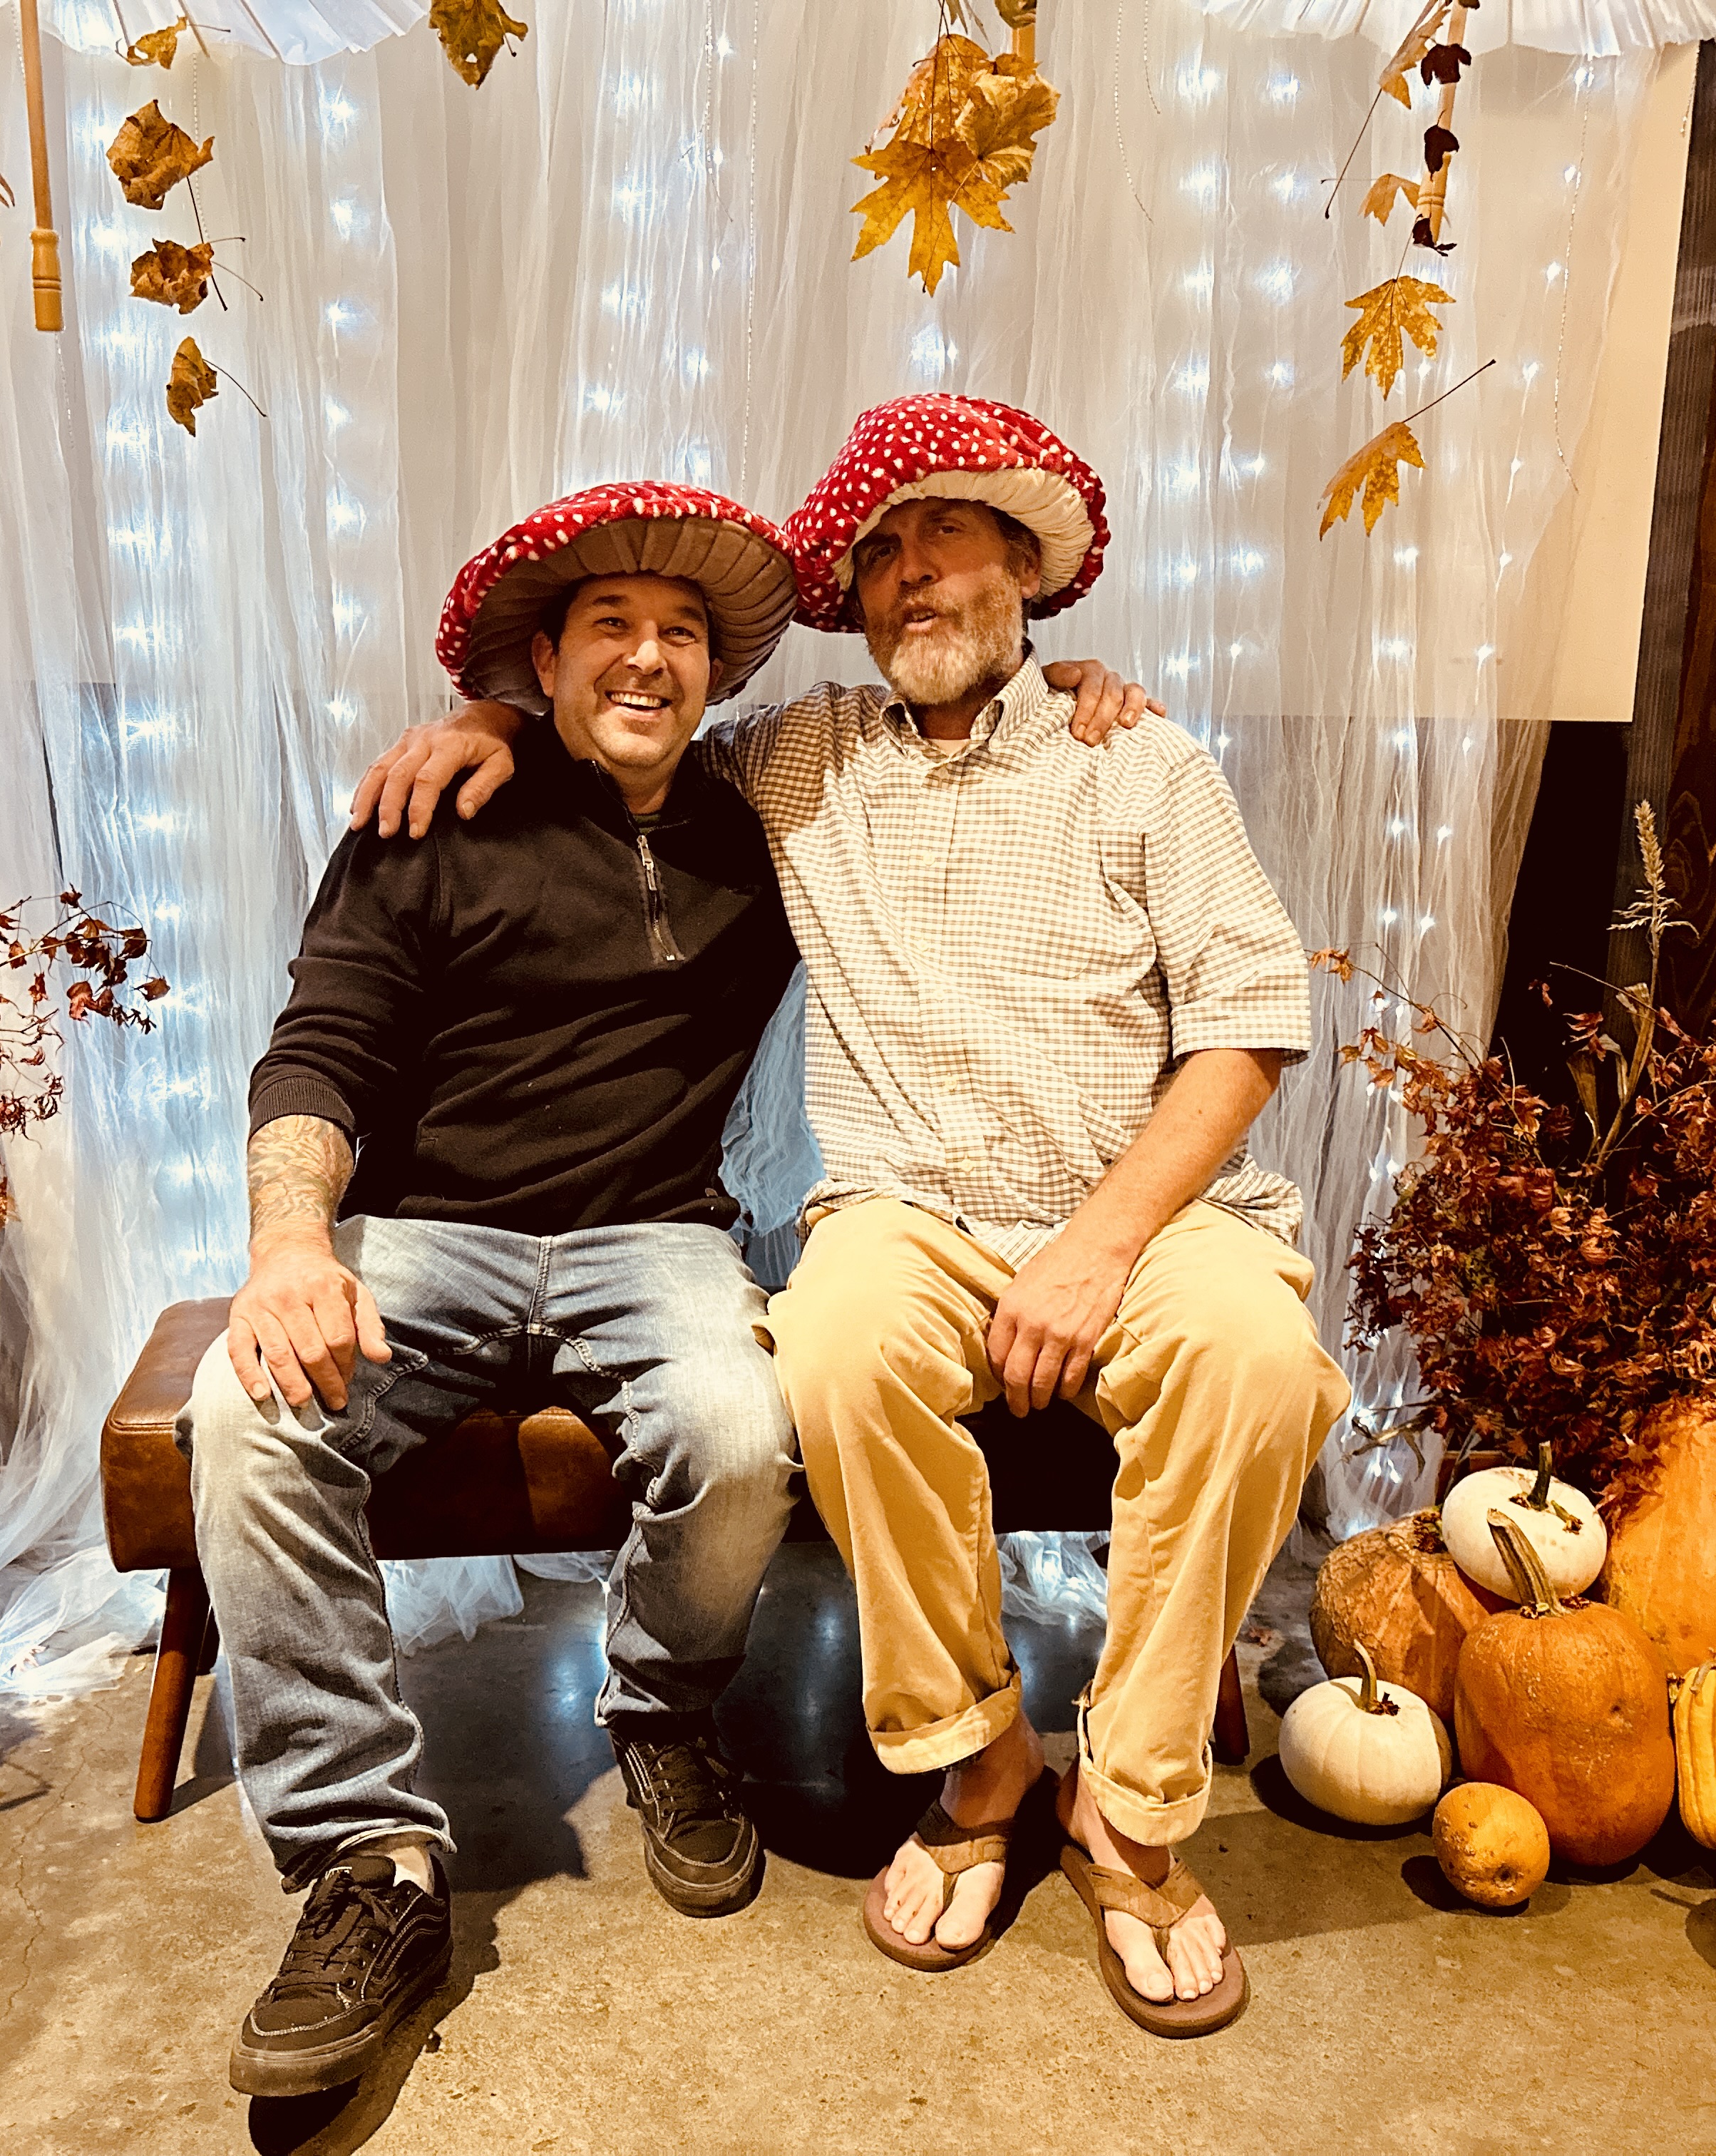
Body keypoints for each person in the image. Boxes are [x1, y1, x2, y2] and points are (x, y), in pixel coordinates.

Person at [356, 396, 1350, 2040]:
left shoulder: (1145, 760)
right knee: (825, 1343)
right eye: (877, 553)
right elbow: (631, 712)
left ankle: (1137, 1807)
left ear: (1027, 566)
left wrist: (1101, 1248)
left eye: (943, 533)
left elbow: (1246, 1026)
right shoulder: (804, 760)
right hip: (911, 1212)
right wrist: (486, 715)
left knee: (1258, 1355)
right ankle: (978, 1763)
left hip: (1154, 1219)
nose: (907, 576)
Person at [190, 478, 1156, 2098]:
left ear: (717, 671)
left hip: (655, 1235)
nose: (650, 659)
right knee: (245, 1415)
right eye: (611, 631)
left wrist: (1066, 685)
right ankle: (368, 1858)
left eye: (684, 634)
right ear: (547, 662)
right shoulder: (432, 815)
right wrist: (293, 1244)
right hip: (430, 1233)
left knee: (737, 1427)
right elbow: (320, 1047)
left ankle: (658, 1711)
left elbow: (953, 738)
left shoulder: (761, 813)